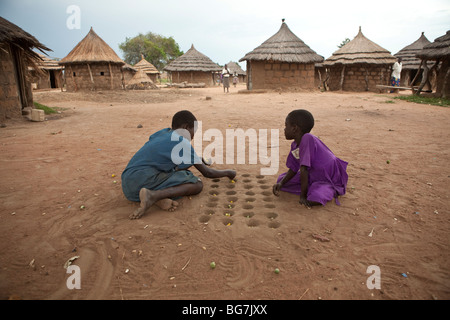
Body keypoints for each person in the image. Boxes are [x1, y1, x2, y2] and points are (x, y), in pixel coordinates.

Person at [122, 110, 236, 219]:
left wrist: (196, 159)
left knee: (178, 172)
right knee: (197, 184)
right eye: (193, 132)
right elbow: (207, 172)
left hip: (128, 185)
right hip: (143, 181)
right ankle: (154, 196)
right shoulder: (182, 142)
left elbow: (174, 164)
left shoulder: (163, 133)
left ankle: (154, 197)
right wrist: (229, 172)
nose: (192, 137)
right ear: (186, 128)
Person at [273, 109, 348, 208]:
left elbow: (303, 169)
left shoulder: (307, 138)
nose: (284, 129)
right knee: (281, 179)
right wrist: (281, 183)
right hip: (313, 175)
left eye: (286, 126)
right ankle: (313, 187)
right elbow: (293, 168)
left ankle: (329, 189)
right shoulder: (295, 144)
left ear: (295, 128)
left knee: (316, 197)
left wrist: (303, 196)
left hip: (327, 177)